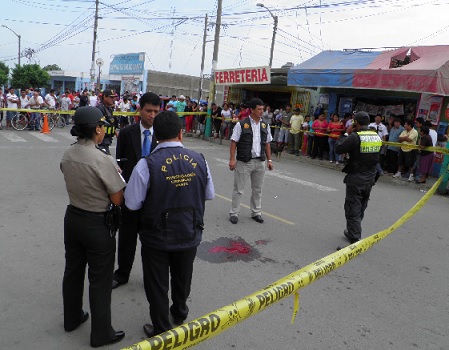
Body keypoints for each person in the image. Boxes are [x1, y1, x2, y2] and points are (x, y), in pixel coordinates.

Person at [124, 110, 214, 338]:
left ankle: (162, 328)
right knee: (183, 277)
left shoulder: (146, 165)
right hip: (189, 231)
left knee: (157, 284)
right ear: (181, 133)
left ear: (156, 136)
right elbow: (209, 194)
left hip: (157, 237)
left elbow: (132, 204)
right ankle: (180, 314)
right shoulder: (200, 159)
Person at [60, 106, 126, 348]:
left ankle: (72, 318)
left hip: (73, 218)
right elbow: (117, 198)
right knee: (100, 279)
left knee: (73, 271)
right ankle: (101, 333)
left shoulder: (68, 153)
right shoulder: (101, 158)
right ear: (97, 129)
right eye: (102, 127)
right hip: (97, 224)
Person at [112, 92, 160, 289]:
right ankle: (122, 274)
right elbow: (120, 166)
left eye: (156, 112)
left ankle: (151, 277)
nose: (152, 115)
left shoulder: (163, 134)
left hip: (155, 198)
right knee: (127, 238)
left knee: (153, 242)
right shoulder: (126, 133)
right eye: (148, 111)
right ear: (139, 110)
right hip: (130, 196)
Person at [335, 111, 382, 244]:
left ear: (356, 123)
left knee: (352, 206)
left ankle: (354, 235)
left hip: (357, 177)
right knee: (361, 205)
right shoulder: (375, 136)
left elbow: (338, 148)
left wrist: (346, 133)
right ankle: (354, 228)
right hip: (371, 177)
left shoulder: (356, 137)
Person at [229, 97, 273, 224]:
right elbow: (233, 142)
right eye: (259, 109)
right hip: (244, 161)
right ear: (252, 110)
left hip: (260, 162)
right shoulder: (241, 124)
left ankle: (256, 212)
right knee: (239, 189)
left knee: (257, 189)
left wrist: (269, 160)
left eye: (262, 109)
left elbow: (268, 143)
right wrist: (232, 159)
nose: (261, 112)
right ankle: (234, 213)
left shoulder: (265, 125)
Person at [97, 89, 119, 154]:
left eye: (114, 97)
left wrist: (115, 132)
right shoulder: (100, 109)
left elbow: (110, 123)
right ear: (104, 97)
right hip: (101, 141)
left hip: (107, 139)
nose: (113, 99)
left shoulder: (109, 109)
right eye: (111, 97)